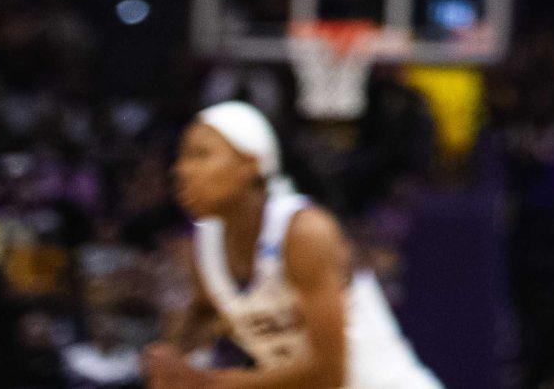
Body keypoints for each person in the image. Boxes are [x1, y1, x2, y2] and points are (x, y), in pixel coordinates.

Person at [145, 101, 443, 389]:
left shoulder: (305, 233)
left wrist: (210, 383)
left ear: (252, 163)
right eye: (182, 157)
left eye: (200, 155)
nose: (182, 170)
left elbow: (329, 375)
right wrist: (174, 357)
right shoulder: (207, 245)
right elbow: (209, 312)